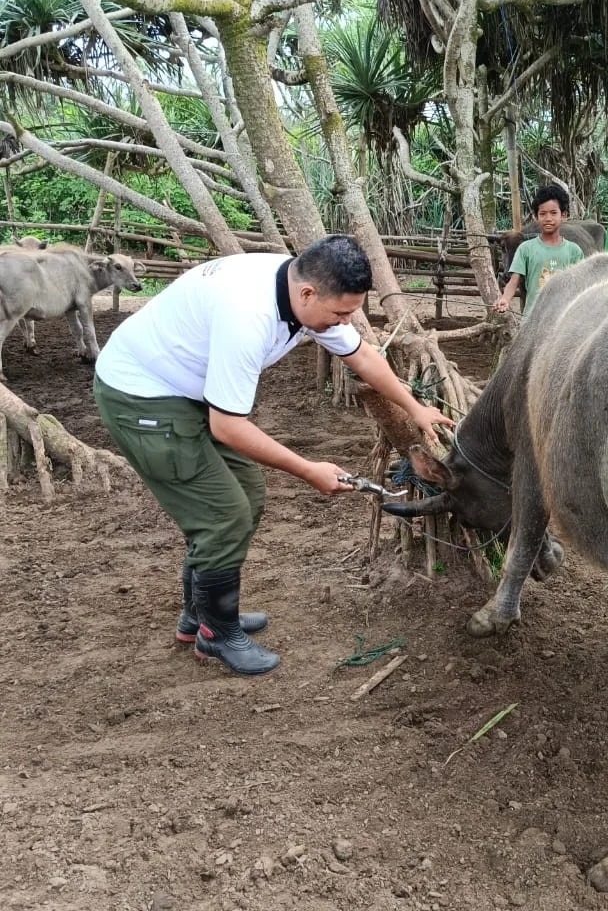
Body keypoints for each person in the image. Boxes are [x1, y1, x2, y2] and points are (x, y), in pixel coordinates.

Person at [93, 235, 455, 676]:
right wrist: (308, 470)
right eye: (340, 313)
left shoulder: (304, 286)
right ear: (307, 293)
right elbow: (227, 426)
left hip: (187, 388)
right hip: (143, 396)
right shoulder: (249, 315)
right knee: (222, 514)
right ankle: (217, 635)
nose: (344, 322)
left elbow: (362, 355)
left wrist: (415, 407)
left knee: (248, 495)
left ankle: (201, 615)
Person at [494, 184, 585, 319]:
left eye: (554, 213)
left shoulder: (574, 251)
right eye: (543, 214)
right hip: (532, 319)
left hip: (563, 320)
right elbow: (513, 281)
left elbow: (581, 286)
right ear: (536, 217)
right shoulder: (525, 249)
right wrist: (505, 299)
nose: (548, 218)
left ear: (564, 215)